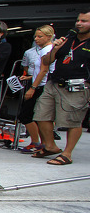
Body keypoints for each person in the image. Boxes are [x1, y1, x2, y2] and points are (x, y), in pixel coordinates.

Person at [32, 10, 90, 165]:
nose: (79, 23)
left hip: (77, 86)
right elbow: (46, 61)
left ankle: (67, 153)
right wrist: (55, 48)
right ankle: (50, 146)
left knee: (73, 120)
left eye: (84, 21)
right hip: (54, 83)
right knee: (41, 114)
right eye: (78, 20)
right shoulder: (68, 38)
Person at [18, 25, 56, 153]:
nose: (36, 38)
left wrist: (33, 88)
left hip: (42, 86)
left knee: (29, 114)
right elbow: (36, 70)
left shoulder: (49, 50)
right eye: (36, 36)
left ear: (49, 37)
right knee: (36, 115)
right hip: (37, 84)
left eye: (40, 36)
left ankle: (38, 142)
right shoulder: (37, 50)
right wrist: (29, 78)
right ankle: (43, 143)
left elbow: (44, 71)